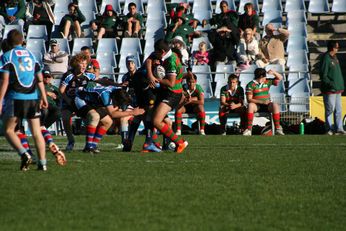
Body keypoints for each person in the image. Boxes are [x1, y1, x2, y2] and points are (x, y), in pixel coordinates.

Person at [0, 29, 49, 171]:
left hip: (16, 97)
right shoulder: (32, 56)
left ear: (8, 41)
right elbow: (40, 79)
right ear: (22, 41)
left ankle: (24, 154)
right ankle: (43, 163)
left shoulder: (7, 56)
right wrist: (43, 97)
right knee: (36, 132)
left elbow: (4, 80)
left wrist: (0, 100)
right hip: (33, 97)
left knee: (8, 130)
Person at [152, 39, 188, 153]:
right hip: (169, 92)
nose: (155, 54)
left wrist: (155, 79)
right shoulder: (171, 55)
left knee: (156, 121)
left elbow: (171, 83)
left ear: (162, 51)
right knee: (160, 119)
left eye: (156, 52)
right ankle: (156, 144)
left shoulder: (171, 60)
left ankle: (179, 142)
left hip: (173, 94)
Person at [243, 68, 284, 136]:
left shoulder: (267, 81)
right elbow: (249, 99)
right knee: (250, 105)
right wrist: (262, 102)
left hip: (267, 105)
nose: (266, 77)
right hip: (257, 106)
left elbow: (280, 77)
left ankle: (278, 129)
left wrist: (274, 72)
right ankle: (249, 130)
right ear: (261, 76)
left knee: (275, 105)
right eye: (265, 76)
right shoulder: (250, 84)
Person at [319, 41, 346, 135]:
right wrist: (331, 84)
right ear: (332, 48)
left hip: (338, 89)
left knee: (338, 110)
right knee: (330, 109)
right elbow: (323, 75)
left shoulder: (335, 57)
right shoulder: (326, 58)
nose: (338, 49)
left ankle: (339, 128)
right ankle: (329, 129)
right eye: (337, 47)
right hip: (330, 90)